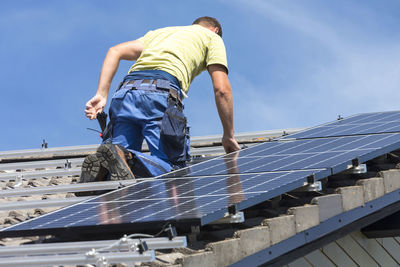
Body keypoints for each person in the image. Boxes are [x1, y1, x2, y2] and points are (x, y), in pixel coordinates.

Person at [82, 16, 240, 182]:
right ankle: (126, 157)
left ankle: (104, 174)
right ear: (215, 30)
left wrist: (101, 94)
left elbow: (115, 51)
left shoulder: (159, 33)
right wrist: (228, 135)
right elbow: (222, 90)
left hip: (124, 94)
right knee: (173, 171)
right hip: (159, 96)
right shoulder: (212, 37)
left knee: (117, 169)